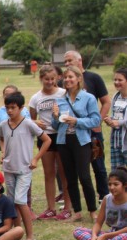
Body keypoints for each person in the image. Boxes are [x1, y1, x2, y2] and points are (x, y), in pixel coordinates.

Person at [0, 92, 50, 240]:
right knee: (12, 202)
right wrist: (3, 152)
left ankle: (30, 236)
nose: (9, 111)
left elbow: (47, 140)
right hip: (9, 168)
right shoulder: (3, 125)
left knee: (21, 200)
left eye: (13, 107)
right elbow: (1, 139)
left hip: (24, 169)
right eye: (7, 108)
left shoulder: (28, 124)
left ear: (21, 108)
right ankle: (16, 234)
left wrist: (36, 158)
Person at [51, 65, 101, 222]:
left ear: (79, 79)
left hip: (81, 141)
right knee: (69, 177)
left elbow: (96, 120)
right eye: (65, 77)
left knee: (84, 176)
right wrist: (55, 116)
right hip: (63, 141)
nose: (67, 80)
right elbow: (55, 125)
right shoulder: (60, 99)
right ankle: (77, 212)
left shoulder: (88, 98)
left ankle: (92, 210)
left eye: (71, 77)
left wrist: (77, 121)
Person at [64, 51, 111, 201]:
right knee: (75, 169)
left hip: (92, 131)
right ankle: (70, 198)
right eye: (65, 61)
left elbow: (106, 102)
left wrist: (98, 122)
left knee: (98, 164)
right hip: (73, 134)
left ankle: (103, 195)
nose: (66, 63)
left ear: (80, 60)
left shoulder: (94, 78)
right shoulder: (65, 81)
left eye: (69, 60)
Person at [30, 65, 73, 220]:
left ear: (57, 78)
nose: (49, 82)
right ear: (41, 79)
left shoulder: (63, 93)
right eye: (46, 79)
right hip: (45, 137)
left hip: (61, 135)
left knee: (64, 173)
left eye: (52, 79)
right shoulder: (35, 98)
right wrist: (35, 122)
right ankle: (51, 208)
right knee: (49, 173)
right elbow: (31, 119)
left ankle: (67, 207)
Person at [74, 167, 127, 240]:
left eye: (116, 184)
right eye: (109, 184)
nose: (112, 187)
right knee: (77, 231)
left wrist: (106, 236)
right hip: (110, 235)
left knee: (124, 238)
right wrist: (94, 236)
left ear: (125, 185)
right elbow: (98, 223)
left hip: (120, 235)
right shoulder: (107, 199)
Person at [103, 68, 127, 172]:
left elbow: (121, 121)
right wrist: (110, 120)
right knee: (118, 172)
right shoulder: (116, 97)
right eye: (115, 80)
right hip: (116, 141)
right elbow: (116, 116)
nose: (116, 82)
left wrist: (118, 122)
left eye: (120, 80)